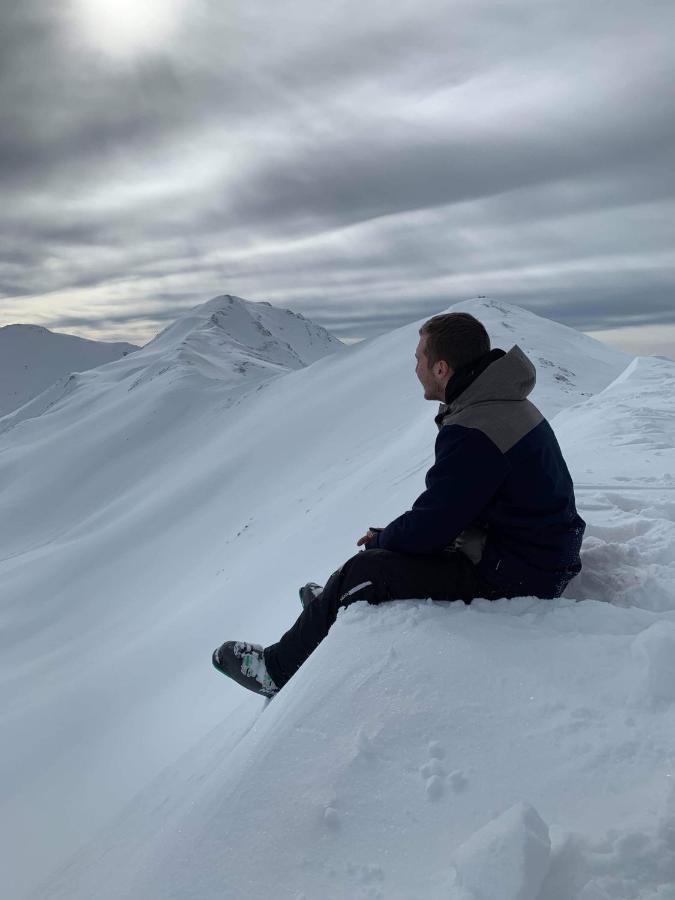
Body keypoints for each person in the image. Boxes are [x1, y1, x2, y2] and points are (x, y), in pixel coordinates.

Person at [212, 312, 586, 697]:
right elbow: (456, 503)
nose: (415, 367)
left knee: (364, 569)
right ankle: (331, 604)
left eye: (418, 359)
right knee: (377, 559)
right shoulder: (499, 403)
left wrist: (381, 541)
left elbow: (432, 526)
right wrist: (394, 535)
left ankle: (276, 670)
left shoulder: (475, 430)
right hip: (532, 549)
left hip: (521, 572)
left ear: (441, 368)